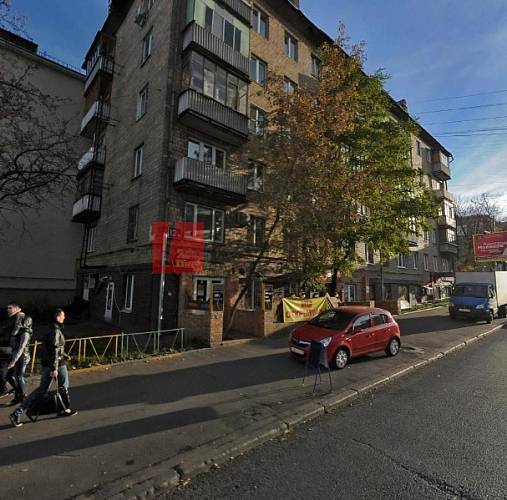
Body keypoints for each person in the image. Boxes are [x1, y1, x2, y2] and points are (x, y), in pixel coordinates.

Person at [10, 308, 77, 427]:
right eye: (63, 316)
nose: (64, 317)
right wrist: (54, 368)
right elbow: (54, 350)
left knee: (41, 390)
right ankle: (63, 409)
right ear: (58, 317)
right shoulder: (56, 331)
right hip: (56, 364)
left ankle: (17, 413)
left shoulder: (49, 328)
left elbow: (52, 348)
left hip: (48, 364)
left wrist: (65, 355)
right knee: (63, 387)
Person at [6, 303, 32, 405]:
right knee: (10, 376)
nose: (18, 322)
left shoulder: (25, 333)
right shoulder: (17, 329)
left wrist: (13, 361)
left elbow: (21, 348)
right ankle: (18, 393)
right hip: (16, 355)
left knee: (18, 376)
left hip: (22, 356)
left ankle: (21, 396)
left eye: (20, 320)